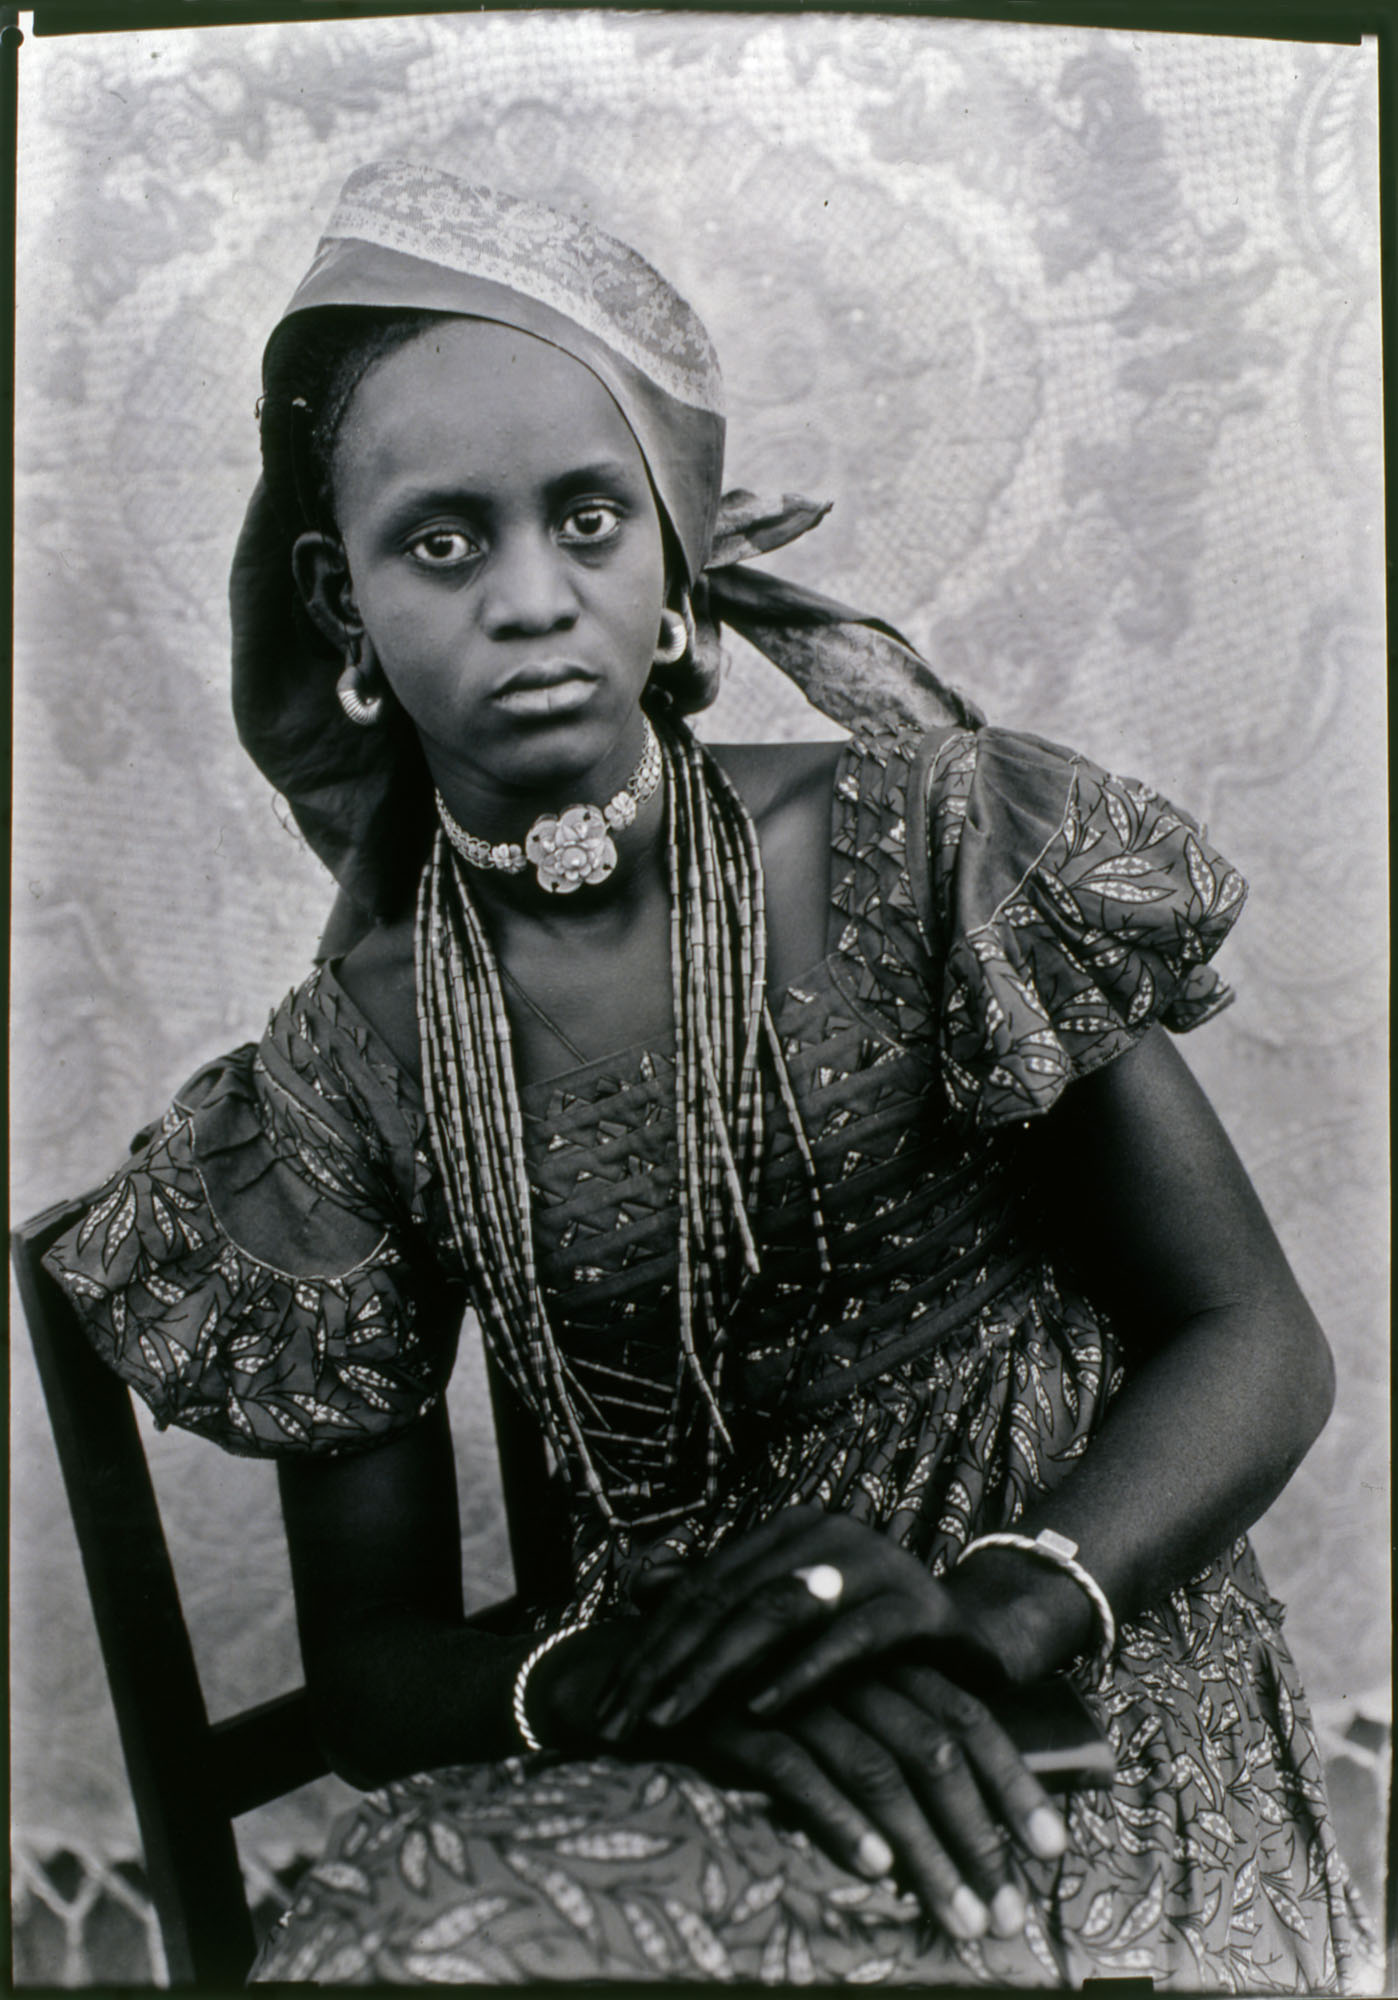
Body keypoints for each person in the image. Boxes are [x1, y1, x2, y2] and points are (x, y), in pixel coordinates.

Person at [42, 161, 1373, 1990]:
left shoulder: (937, 846)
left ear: (673, 569)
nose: (529, 599)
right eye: (440, 542)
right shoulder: (346, 1071)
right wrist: (619, 1680)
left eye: (589, 521)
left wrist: (993, 1614)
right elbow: (372, 1672)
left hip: (1069, 1620)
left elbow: (1254, 1339)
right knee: (393, 1946)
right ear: (335, 599)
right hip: (680, 1697)